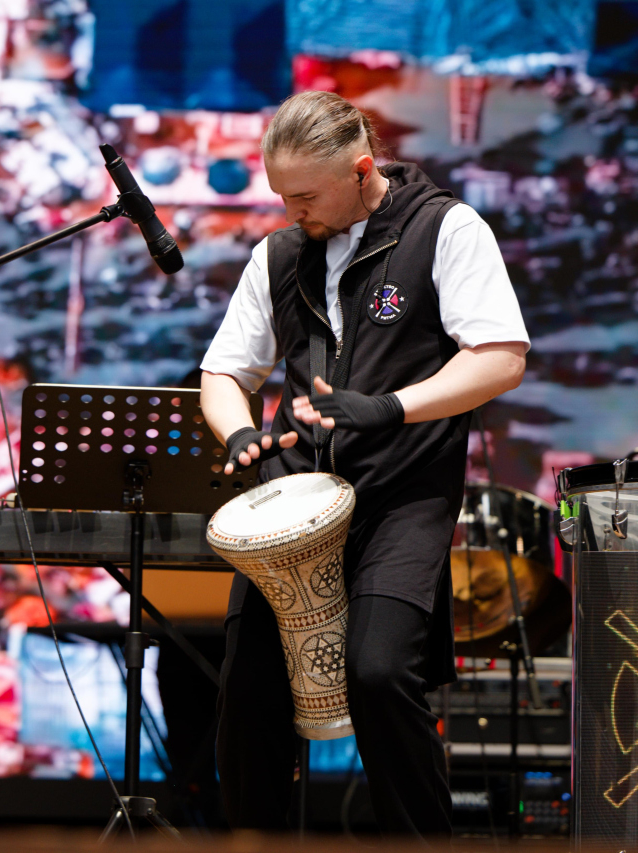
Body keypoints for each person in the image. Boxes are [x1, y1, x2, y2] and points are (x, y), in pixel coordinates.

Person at [200, 91, 529, 838]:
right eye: (283, 196)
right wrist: (238, 431)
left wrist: (392, 407)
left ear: (361, 169)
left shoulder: (445, 228)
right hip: (293, 509)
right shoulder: (279, 254)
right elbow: (224, 371)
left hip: (401, 496)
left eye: (306, 197)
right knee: (248, 691)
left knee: (378, 673)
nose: (292, 212)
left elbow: (500, 357)